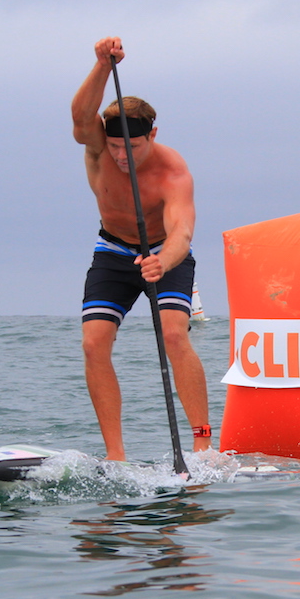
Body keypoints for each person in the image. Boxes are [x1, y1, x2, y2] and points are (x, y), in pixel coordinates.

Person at [71, 36, 211, 461]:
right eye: (114, 147)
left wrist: (161, 261)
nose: (120, 156)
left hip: (163, 253)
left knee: (174, 334)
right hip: (113, 252)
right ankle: (116, 455)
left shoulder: (173, 173)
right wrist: (100, 65)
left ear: (152, 134)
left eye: (130, 147)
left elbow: (182, 233)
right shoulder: (98, 148)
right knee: (94, 344)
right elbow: (80, 118)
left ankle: (203, 444)